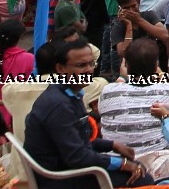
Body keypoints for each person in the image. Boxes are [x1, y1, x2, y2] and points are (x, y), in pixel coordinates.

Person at [24, 39, 149, 186]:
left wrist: (113, 145)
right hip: (59, 178)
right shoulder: (59, 105)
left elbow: (79, 139)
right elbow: (78, 157)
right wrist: (121, 163)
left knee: (138, 167)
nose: (89, 70)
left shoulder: (70, 94)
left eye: (91, 63)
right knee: (143, 179)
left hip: (69, 167)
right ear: (60, 68)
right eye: (81, 65)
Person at [97, 39, 169, 181]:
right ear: (156, 66)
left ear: (126, 65)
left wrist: (122, 77)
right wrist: (160, 73)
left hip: (117, 167)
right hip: (158, 166)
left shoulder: (107, 91)